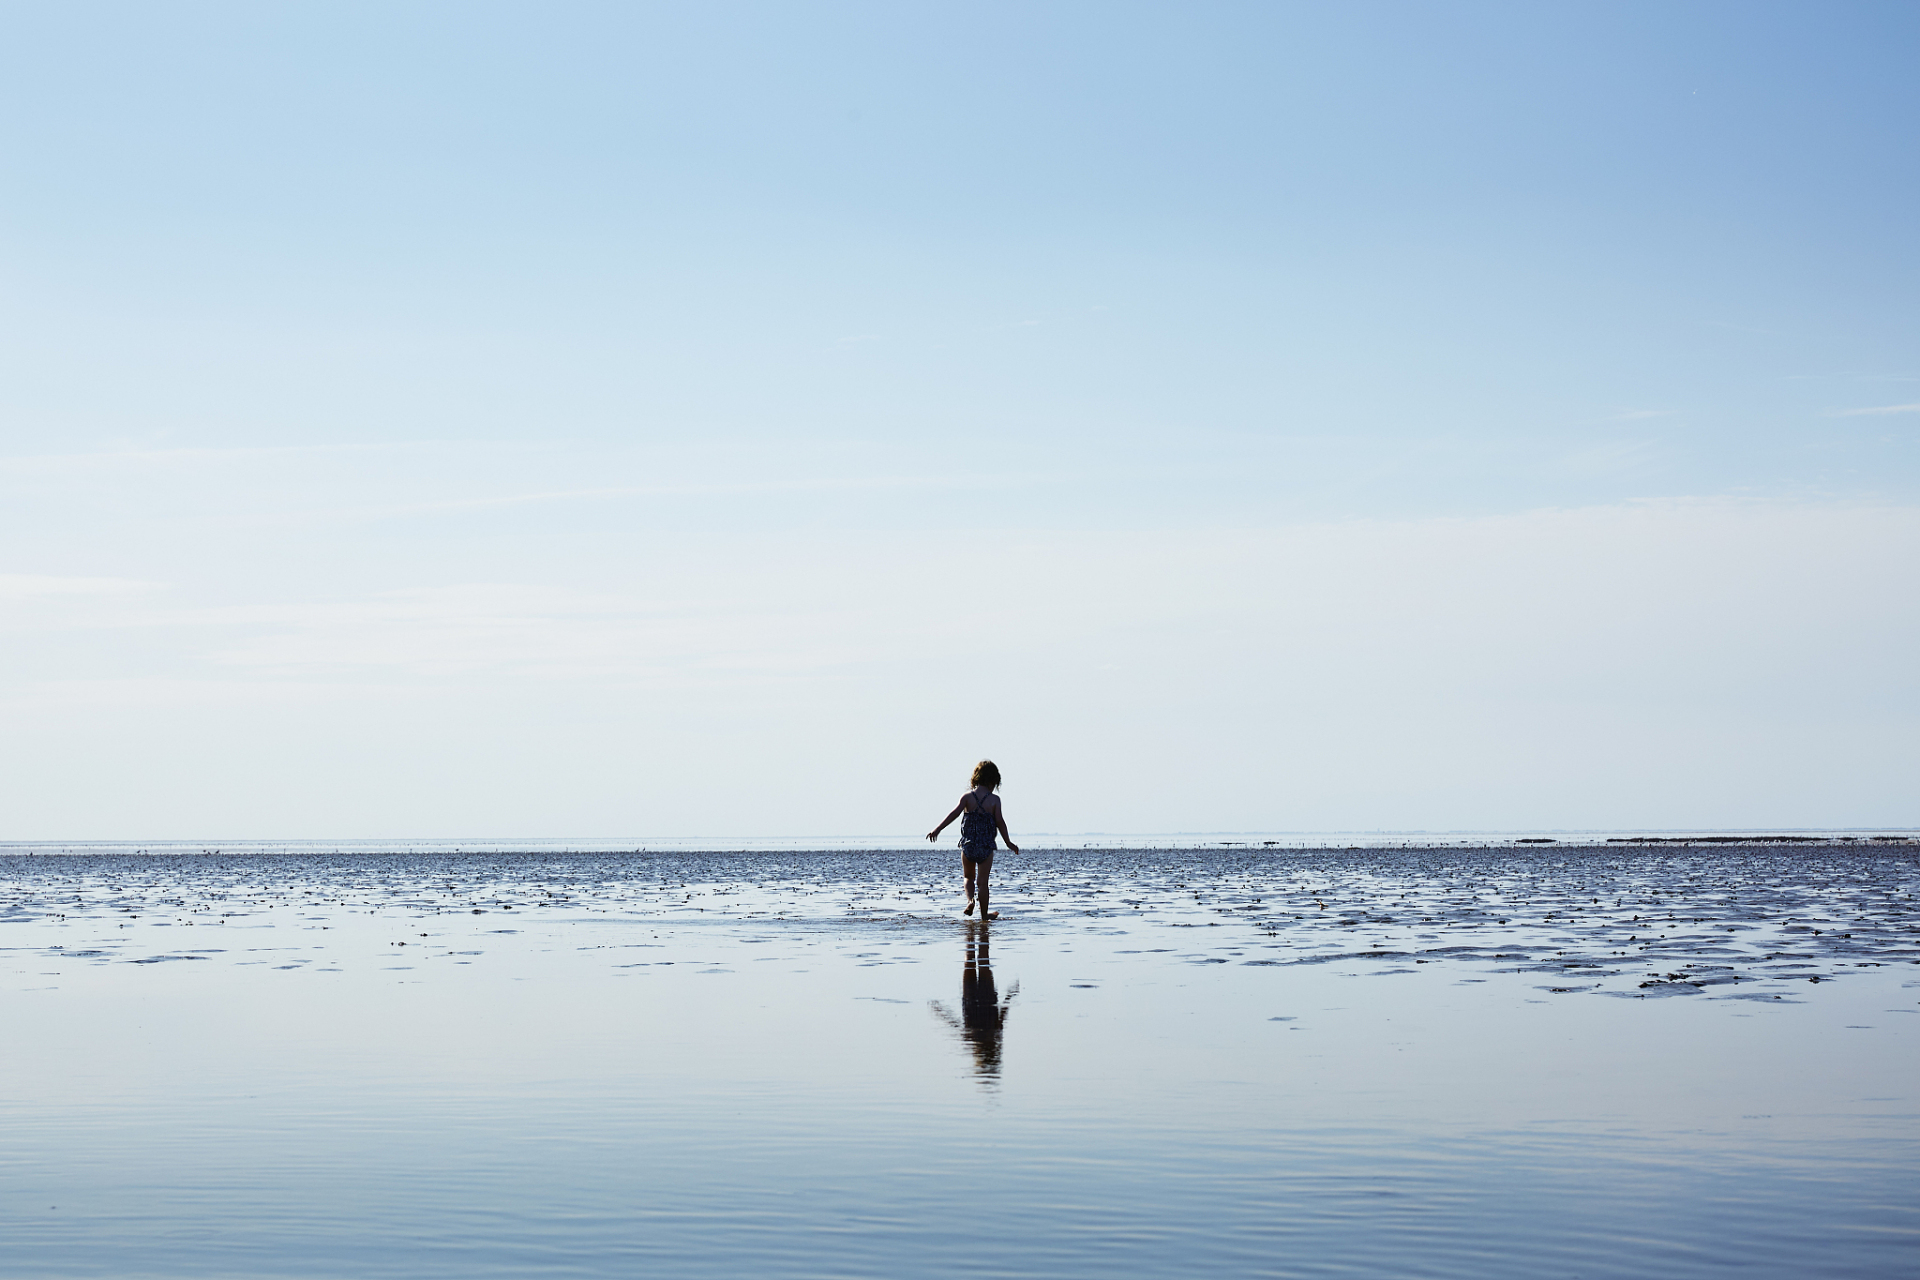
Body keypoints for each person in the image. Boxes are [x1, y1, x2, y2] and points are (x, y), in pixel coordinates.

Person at [926, 759, 1018, 918]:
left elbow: (954, 814)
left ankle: (970, 901)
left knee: (968, 877)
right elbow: (1000, 822)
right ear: (994, 780)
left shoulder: (967, 797)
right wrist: (1008, 842)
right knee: (982, 883)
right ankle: (984, 916)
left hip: (968, 845)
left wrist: (937, 829)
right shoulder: (994, 800)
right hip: (986, 846)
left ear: (976, 777)